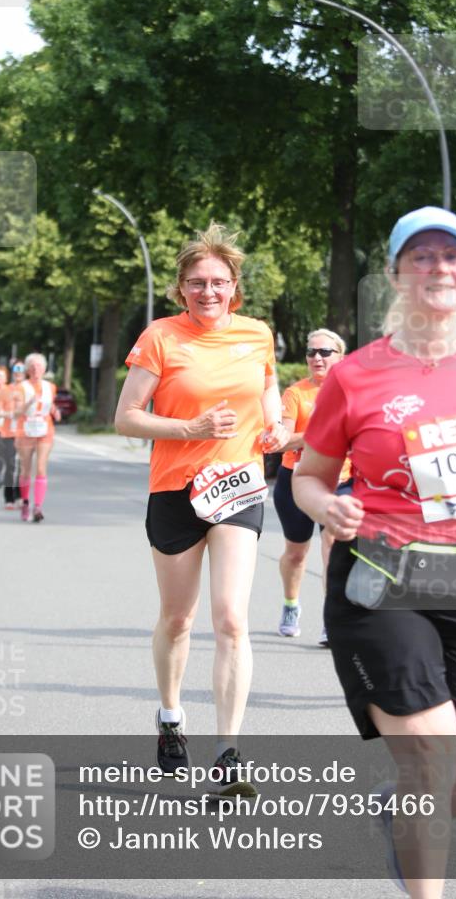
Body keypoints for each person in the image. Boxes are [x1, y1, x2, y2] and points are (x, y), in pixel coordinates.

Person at [293, 206, 456, 898]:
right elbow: (308, 477)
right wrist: (328, 506)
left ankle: (396, 812)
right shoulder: (355, 375)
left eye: (450, 256)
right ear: (395, 275)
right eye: (421, 257)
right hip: (383, 577)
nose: (438, 268)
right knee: (429, 765)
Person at [115, 223, 288, 795]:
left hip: (237, 487)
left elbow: (269, 404)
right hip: (174, 491)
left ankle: (229, 749)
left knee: (232, 618)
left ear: (234, 285)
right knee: (179, 618)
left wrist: (276, 432)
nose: (207, 291)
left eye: (217, 281)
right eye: (196, 283)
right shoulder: (161, 337)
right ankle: (170, 717)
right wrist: (189, 427)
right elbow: (127, 417)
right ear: (181, 288)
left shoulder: (258, 335)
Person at [273, 328, 348, 643]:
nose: (317, 358)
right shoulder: (295, 394)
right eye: (312, 352)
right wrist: (320, 434)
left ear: (339, 356)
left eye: (325, 352)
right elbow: (282, 441)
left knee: (332, 547)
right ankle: (291, 603)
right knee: (296, 553)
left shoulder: (351, 391)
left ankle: (331, 619)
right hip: (295, 477)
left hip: (339, 478)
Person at [13, 353, 60, 523]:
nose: (35, 370)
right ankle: (25, 502)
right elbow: (16, 412)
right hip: (25, 430)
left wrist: (56, 411)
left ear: (44, 369)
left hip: (45, 429)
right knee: (26, 469)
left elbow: (49, 404)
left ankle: (38, 506)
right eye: (32, 367)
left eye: (39, 366)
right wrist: (29, 402)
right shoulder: (21, 387)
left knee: (41, 468)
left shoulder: (50, 387)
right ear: (27, 370)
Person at [0, 362, 25, 509]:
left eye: (21, 371)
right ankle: (8, 498)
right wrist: (6, 414)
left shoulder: (28, 389)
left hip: (23, 433)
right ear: (12, 373)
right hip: (7, 432)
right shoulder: (5, 390)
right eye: (16, 371)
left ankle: (20, 495)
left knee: (22, 466)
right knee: (10, 466)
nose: (18, 374)